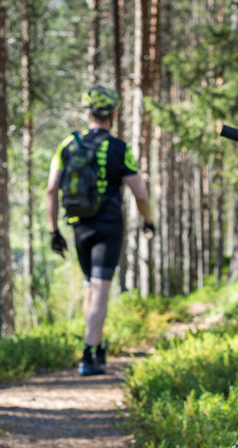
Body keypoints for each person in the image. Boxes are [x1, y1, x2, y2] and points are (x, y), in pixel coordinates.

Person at [46, 85, 154, 376]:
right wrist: (148, 222)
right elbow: (140, 195)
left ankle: (96, 343)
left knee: (89, 287)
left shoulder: (67, 145)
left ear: (88, 113)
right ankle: (89, 354)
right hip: (108, 226)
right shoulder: (120, 149)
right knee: (101, 289)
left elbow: (51, 189)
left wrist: (53, 230)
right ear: (114, 115)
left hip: (78, 226)